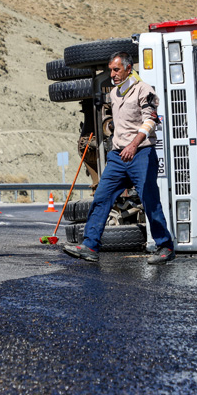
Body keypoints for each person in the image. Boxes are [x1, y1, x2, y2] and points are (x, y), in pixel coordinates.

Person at [63, 52, 175, 264]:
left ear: (128, 68)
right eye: (111, 70)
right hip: (118, 156)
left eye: (116, 70)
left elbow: (151, 121)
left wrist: (133, 144)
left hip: (141, 153)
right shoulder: (115, 93)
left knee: (150, 201)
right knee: (101, 197)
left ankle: (165, 247)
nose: (112, 74)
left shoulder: (144, 89)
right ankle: (90, 246)